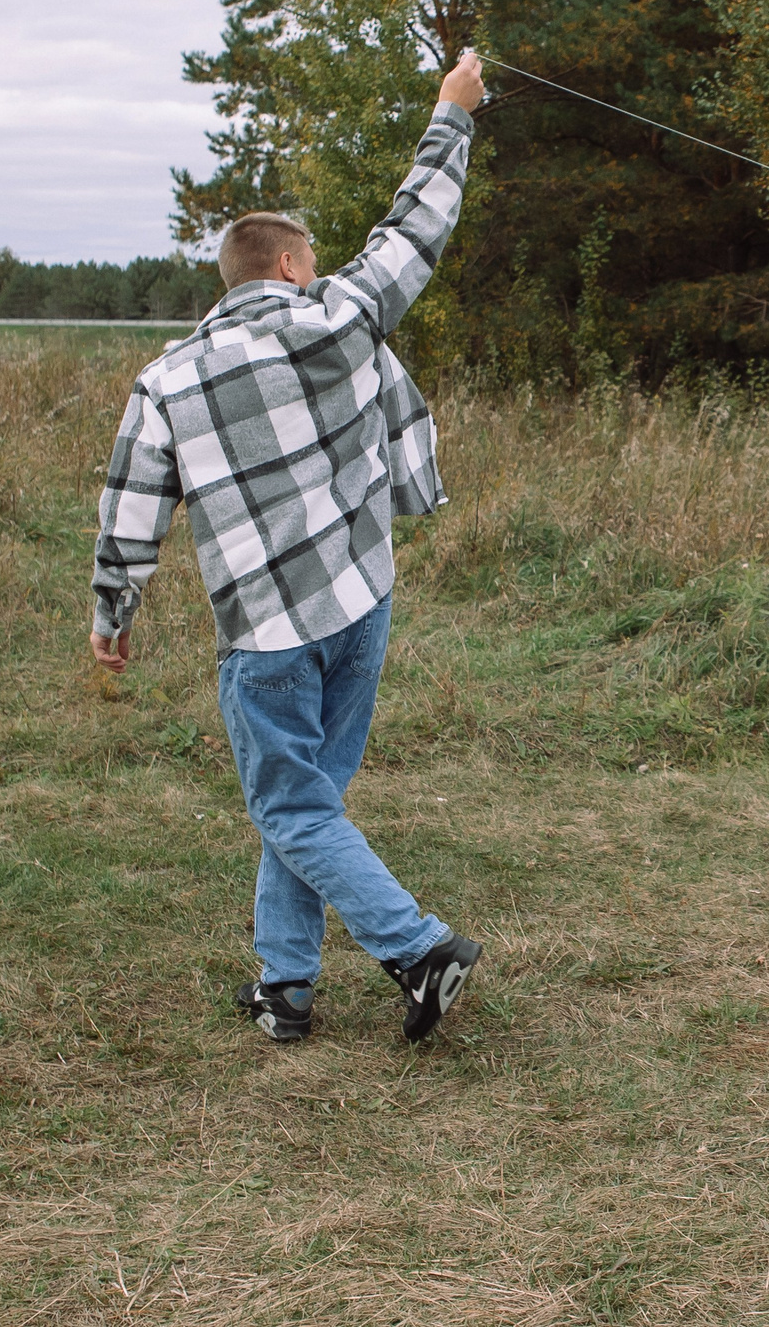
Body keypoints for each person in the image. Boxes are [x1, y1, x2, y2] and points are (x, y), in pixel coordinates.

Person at [88, 53, 489, 1043]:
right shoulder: (338, 319)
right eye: (311, 258)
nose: (319, 270)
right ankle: (286, 986)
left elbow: (132, 509)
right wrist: (452, 113)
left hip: (266, 633)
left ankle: (419, 949)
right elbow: (415, 230)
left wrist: (112, 613)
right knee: (307, 802)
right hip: (360, 603)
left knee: (296, 805)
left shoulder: (167, 379)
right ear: (287, 266)